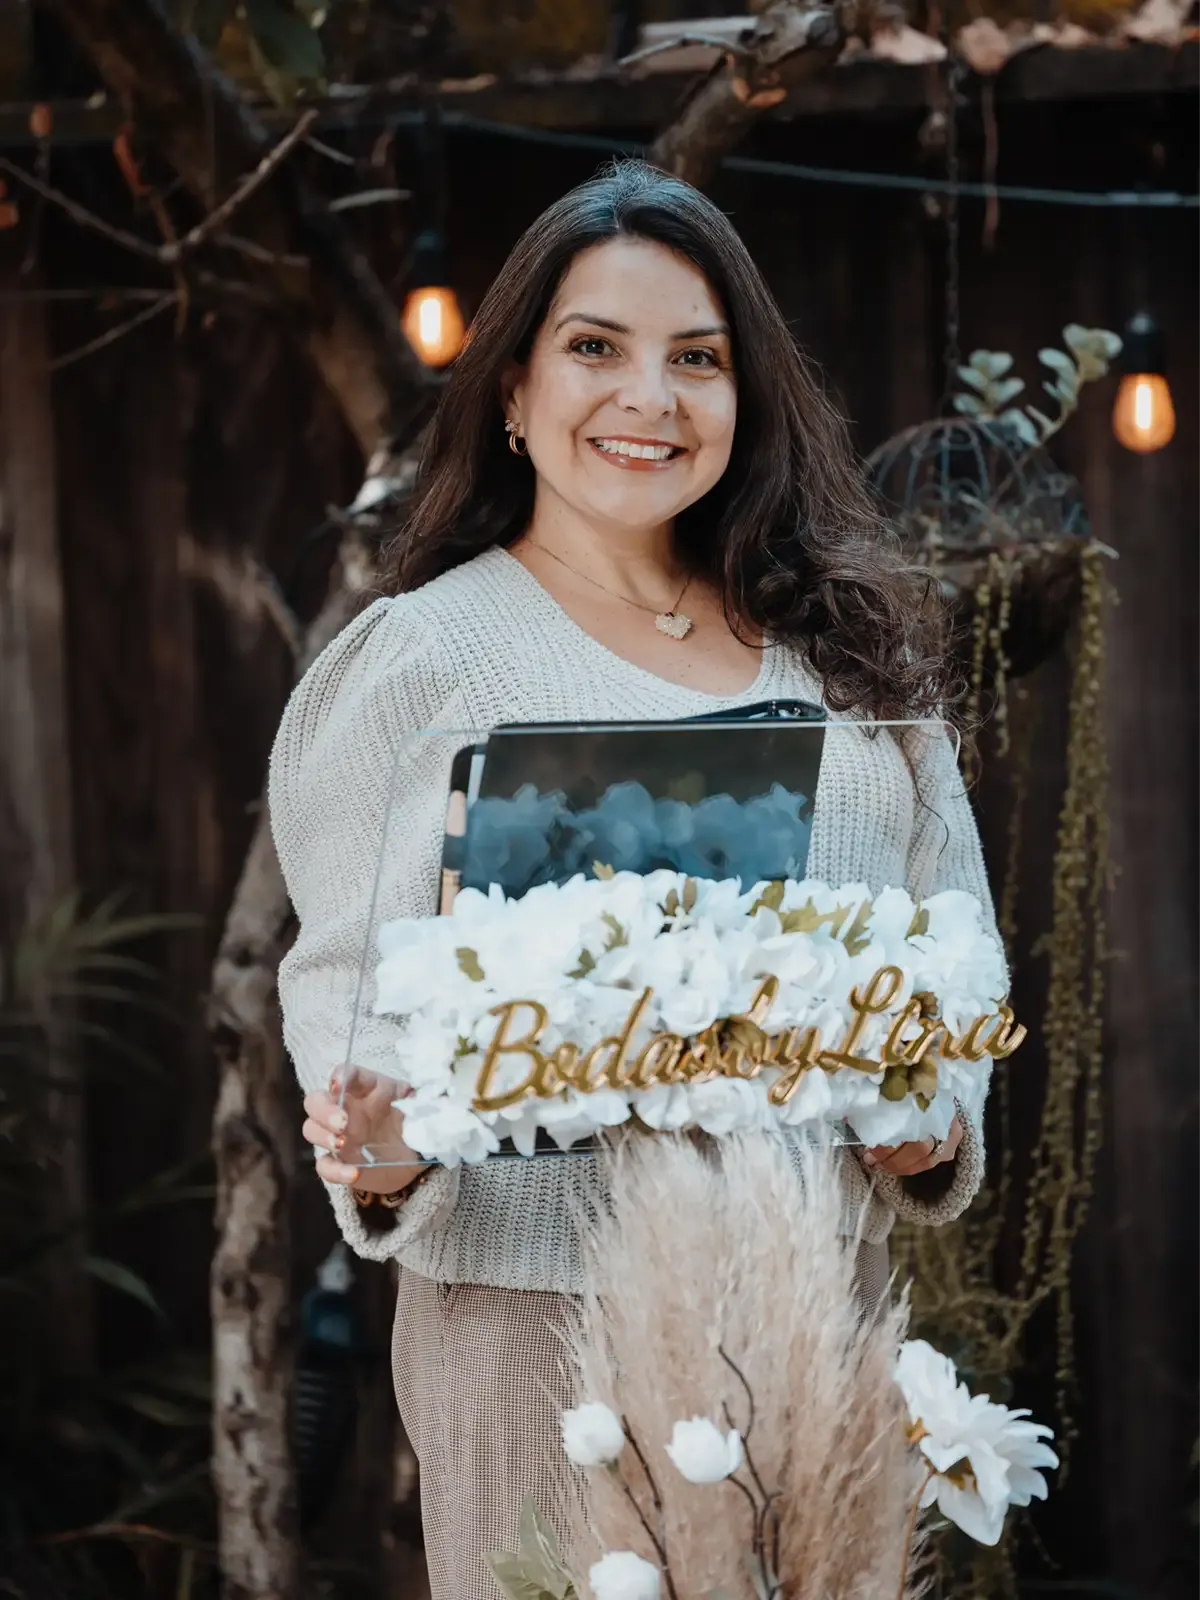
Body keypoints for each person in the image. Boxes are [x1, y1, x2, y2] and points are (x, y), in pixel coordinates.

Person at [269, 160, 997, 1599]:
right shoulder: (422, 661)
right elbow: (344, 996)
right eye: (595, 348)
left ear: (747, 399)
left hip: (808, 1307)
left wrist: (933, 1123)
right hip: (541, 1325)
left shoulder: (846, 650)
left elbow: (953, 937)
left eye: (699, 359)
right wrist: (382, 1138)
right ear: (515, 398)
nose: (649, 398)